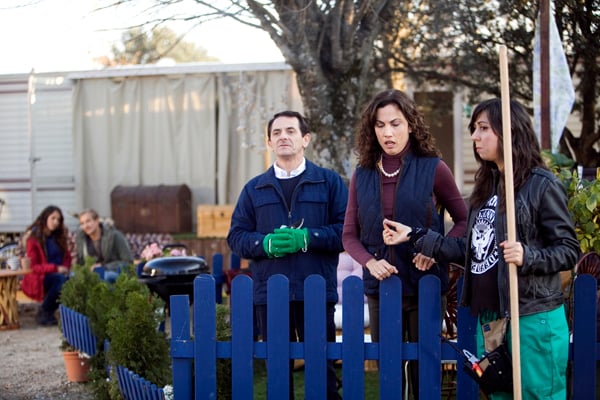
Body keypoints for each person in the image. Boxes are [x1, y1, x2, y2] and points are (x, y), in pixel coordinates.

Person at [382, 98, 581, 399]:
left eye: (483, 128)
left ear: (509, 131)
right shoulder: (487, 187)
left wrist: (528, 256)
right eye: (474, 129)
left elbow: (568, 250)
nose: (474, 137)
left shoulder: (541, 185)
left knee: (540, 395)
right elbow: (472, 250)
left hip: (531, 318)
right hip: (492, 321)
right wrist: (417, 236)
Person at [342, 89, 467, 399]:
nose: (388, 132)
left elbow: (465, 222)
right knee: (390, 372)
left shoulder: (433, 168)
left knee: (424, 372)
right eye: (380, 125)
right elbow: (349, 235)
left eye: (396, 124)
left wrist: (434, 248)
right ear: (372, 129)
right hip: (382, 289)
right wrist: (370, 262)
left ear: (411, 124)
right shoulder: (362, 174)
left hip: (425, 283)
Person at [227, 110, 348, 400]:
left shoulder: (329, 183)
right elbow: (236, 236)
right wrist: (264, 244)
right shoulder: (254, 189)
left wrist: (309, 237)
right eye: (277, 132)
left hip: (316, 290)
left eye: (291, 131)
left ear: (305, 139)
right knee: (278, 374)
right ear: (269, 142)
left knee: (322, 372)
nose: (284, 137)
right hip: (271, 294)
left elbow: (346, 232)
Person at [21, 205, 72, 326]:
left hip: (59, 274)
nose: (56, 222)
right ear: (45, 218)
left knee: (72, 280)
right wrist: (56, 268)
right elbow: (33, 267)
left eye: (58, 220)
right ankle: (44, 311)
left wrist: (65, 268)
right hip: (40, 277)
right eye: (53, 218)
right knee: (61, 281)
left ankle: (68, 316)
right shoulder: (33, 239)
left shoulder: (58, 237)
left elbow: (67, 257)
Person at [75, 208, 133, 283]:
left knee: (106, 276)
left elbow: (128, 261)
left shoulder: (114, 235)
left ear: (97, 220)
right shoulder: (81, 239)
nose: (85, 226)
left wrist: (104, 267)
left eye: (88, 221)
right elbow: (80, 263)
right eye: (82, 223)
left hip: (112, 272)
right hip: (91, 274)